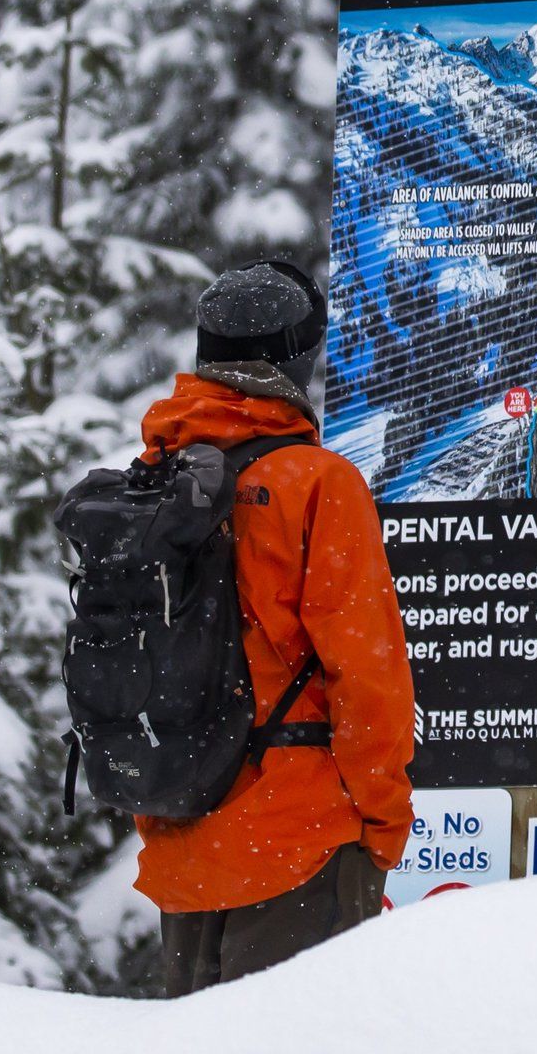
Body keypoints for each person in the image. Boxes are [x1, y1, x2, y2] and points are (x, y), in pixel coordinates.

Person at [135, 259, 415, 995]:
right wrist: (382, 823)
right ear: (296, 361)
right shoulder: (316, 484)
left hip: (182, 839)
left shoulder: (153, 480)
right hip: (299, 842)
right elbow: (368, 671)